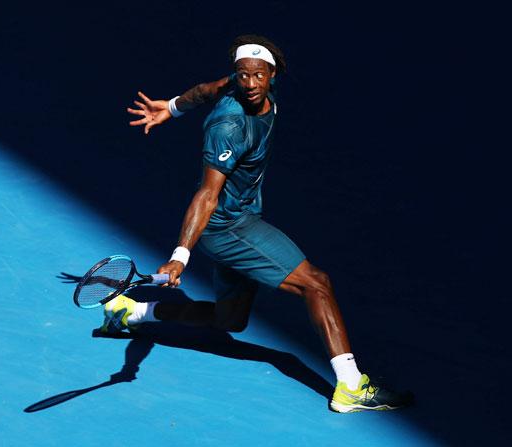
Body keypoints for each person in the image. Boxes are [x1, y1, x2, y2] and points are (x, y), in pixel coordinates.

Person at [102, 34, 413, 413]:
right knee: (317, 284)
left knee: (229, 320)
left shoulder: (238, 85)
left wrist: (171, 107)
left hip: (235, 221)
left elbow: (203, 89)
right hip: (231, 228)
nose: (249, 85)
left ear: (272, 74)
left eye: (257, 76)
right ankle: (350, 385)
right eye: (243, 76)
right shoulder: (228, 127)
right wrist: (180, 256)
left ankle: (129, 311)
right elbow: (206, 195)